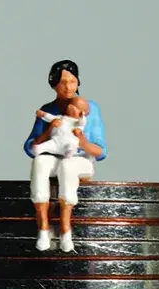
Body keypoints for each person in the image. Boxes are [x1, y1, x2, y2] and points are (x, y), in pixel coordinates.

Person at [24, 60, 107, 252]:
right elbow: (31, 147)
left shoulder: (89, 109)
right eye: (62, 82)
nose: (68, 87)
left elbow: (101, 151)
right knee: (40, 162)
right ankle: (43, 227)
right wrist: (49, 130)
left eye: (72, 81)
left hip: (80, 158)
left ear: (78, 82)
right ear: (54, 84)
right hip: (53, 153)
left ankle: (66, 230)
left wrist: (83, 142)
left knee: (67, 166)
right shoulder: (49, 110)